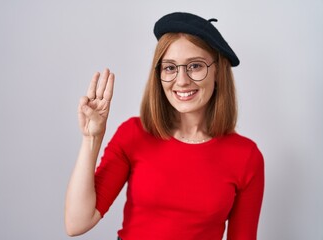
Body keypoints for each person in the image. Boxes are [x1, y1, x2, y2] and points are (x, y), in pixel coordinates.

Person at [65, 12, 264, 240]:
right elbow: (76, 223)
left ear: (218, 71)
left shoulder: (246, 156)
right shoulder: (133, 134)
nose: (181, 81)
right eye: (170, 68)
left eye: (195, 66)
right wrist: (92, 138)